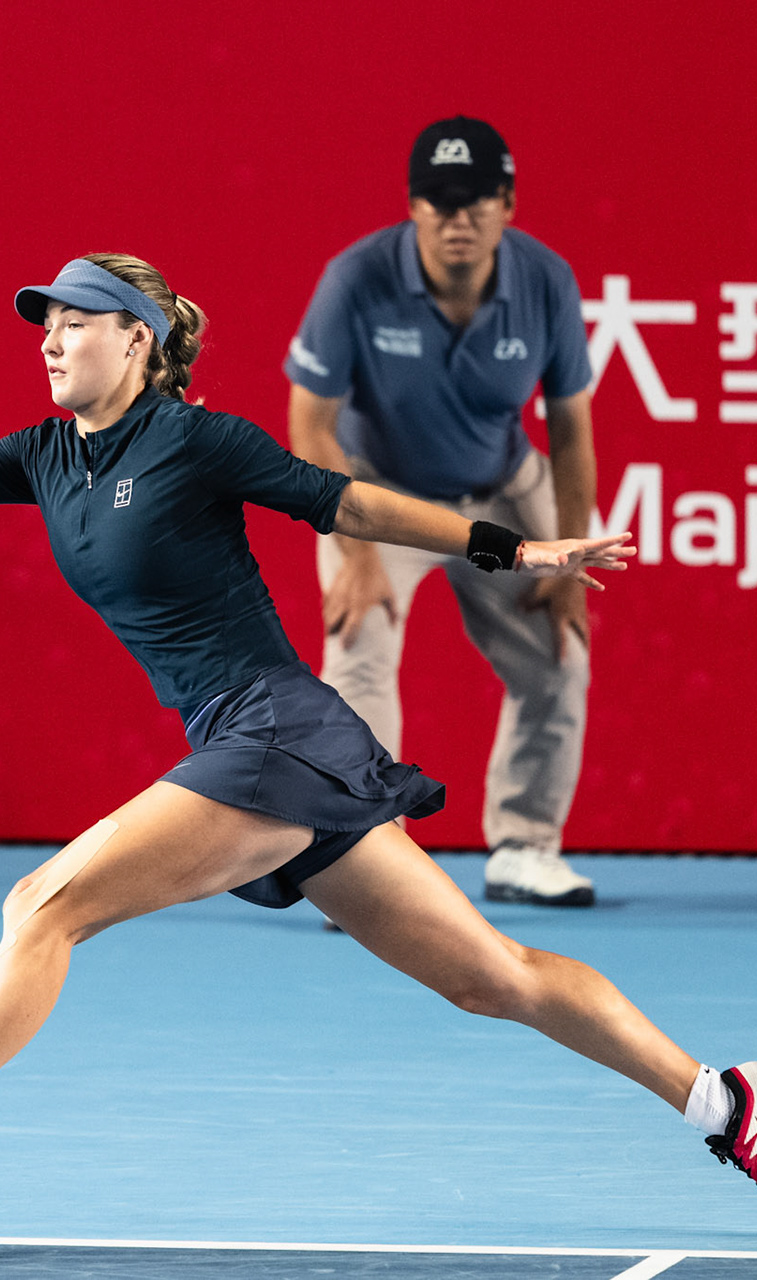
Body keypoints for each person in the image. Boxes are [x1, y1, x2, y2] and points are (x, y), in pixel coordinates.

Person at [0, 253, 757, 1237]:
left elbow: (350, 502)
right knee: (491, 977)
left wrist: (509, 547)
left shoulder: (198, 440)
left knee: (42, 906)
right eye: (43, 321)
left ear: (137, 340)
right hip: (276, 741)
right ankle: (727, 1101)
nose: (49, 337)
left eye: (75, 320)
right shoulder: (45, 455)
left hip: (273, 728)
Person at [285, 116, 600, 907]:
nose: (458, 217)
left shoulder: (546, 282)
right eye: (439, 200)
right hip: (379, 497)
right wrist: (356, 551)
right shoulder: (356, 278)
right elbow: (311, 423)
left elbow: (570, 429)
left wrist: (567, 558)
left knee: (558, 653)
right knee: (357, 649)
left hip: (500, 490)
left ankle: (525, 847)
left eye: (477, 199)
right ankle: (366, 863)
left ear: (508, 205)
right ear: (413, 206)